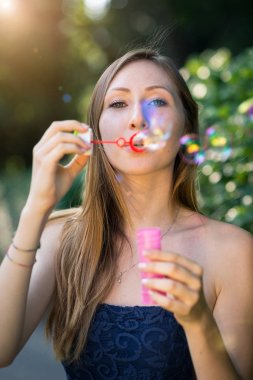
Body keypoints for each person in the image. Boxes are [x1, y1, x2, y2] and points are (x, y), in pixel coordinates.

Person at [0, 47, 252, 380]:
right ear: (96, 132)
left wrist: (198, 322)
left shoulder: (234, 251)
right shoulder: (63, 240)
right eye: (118, 103)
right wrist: (36, 206)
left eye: (158, 101)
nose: (137, 118)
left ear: (185, 129)